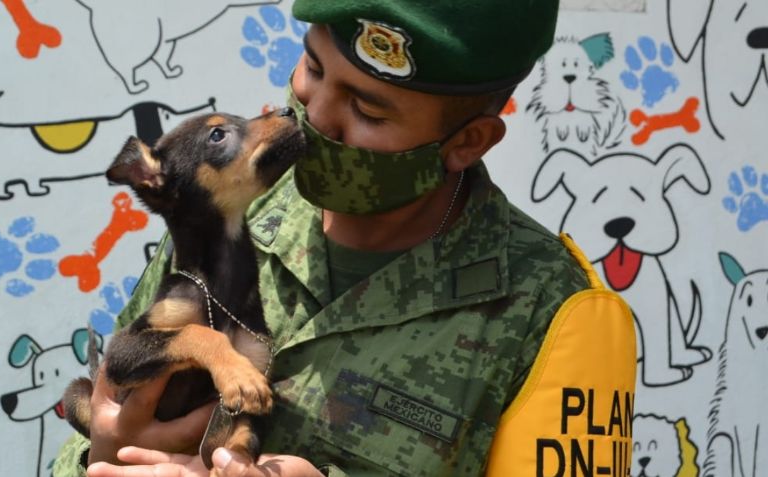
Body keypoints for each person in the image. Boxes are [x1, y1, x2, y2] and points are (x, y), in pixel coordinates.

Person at [54, 1, 636, 476]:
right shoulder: (234, 208)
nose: (315, 119)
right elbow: (102, 417)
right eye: (313, 69)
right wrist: (99, 455)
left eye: (367, 111)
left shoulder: (554, 309)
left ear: (468, 141)